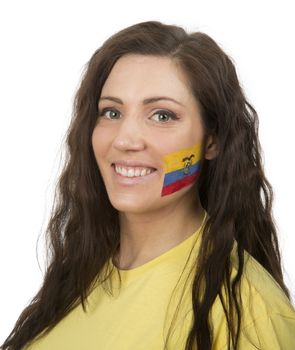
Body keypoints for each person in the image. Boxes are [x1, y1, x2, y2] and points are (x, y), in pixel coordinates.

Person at [1, 20, 295, 350]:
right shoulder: (75, 280)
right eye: (111, 112)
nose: (125, 140)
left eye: (162, 116)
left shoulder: (249, 314)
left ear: (212, 140)